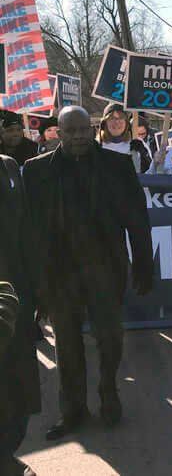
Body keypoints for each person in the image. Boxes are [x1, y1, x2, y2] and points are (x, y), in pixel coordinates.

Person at [23, 106, 154, 441]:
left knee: (110, 337)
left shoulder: (116, 165)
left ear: (92, 129)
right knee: (66, 345)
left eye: (84, 129)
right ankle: (73, 410)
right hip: (59, 272)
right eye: (71, 131)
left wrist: (143, 262)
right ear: (59, 133)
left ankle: (108, 391)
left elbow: (137, 219)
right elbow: (31, 230)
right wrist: (35, 283)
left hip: (104, 268)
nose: (79, 136)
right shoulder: (36, 171)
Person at [0, 152, 40, 476]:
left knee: (20, 383)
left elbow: (25, 229)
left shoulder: (10, 165)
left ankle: (7, 452)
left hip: (17, 296)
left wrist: (35, 288)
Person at [98, 103, 152, 173]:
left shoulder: (138, 144)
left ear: (127, 124)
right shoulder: (95, 146)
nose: (117, 122)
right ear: (103, 124)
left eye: (120, 118)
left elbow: (149, 176)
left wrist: (144, 156)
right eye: (112, 118)